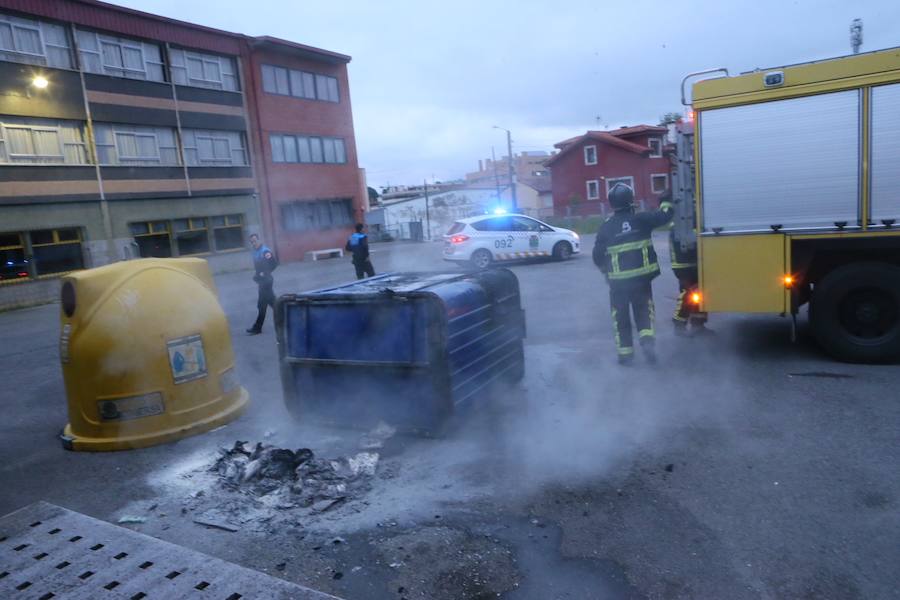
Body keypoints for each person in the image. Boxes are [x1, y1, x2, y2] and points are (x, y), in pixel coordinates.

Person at [593, 183, 674, 365]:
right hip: (642, 280)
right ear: (631, 201)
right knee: (644, 311)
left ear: (612, 204)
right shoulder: (641, 219)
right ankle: (647, 343)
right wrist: (665, 200)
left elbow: (597, 256)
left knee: (620, 317)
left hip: (618, 284)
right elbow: (665, 216)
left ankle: (625, 354)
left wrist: (606, 271)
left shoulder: (606, 227)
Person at [246, 233, 277, 335]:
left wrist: (265, 273)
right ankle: (288, 320)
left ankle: (257, 328)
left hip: (267, 281)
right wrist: (257, 275)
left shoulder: (265, 251)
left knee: (262, 305)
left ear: (259, 240)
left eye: (255, 241)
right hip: (262, 281)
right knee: (273, 304)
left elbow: (274, 264)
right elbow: (258, 268)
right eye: (252, 242)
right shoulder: (255, 252)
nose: (253, 243)